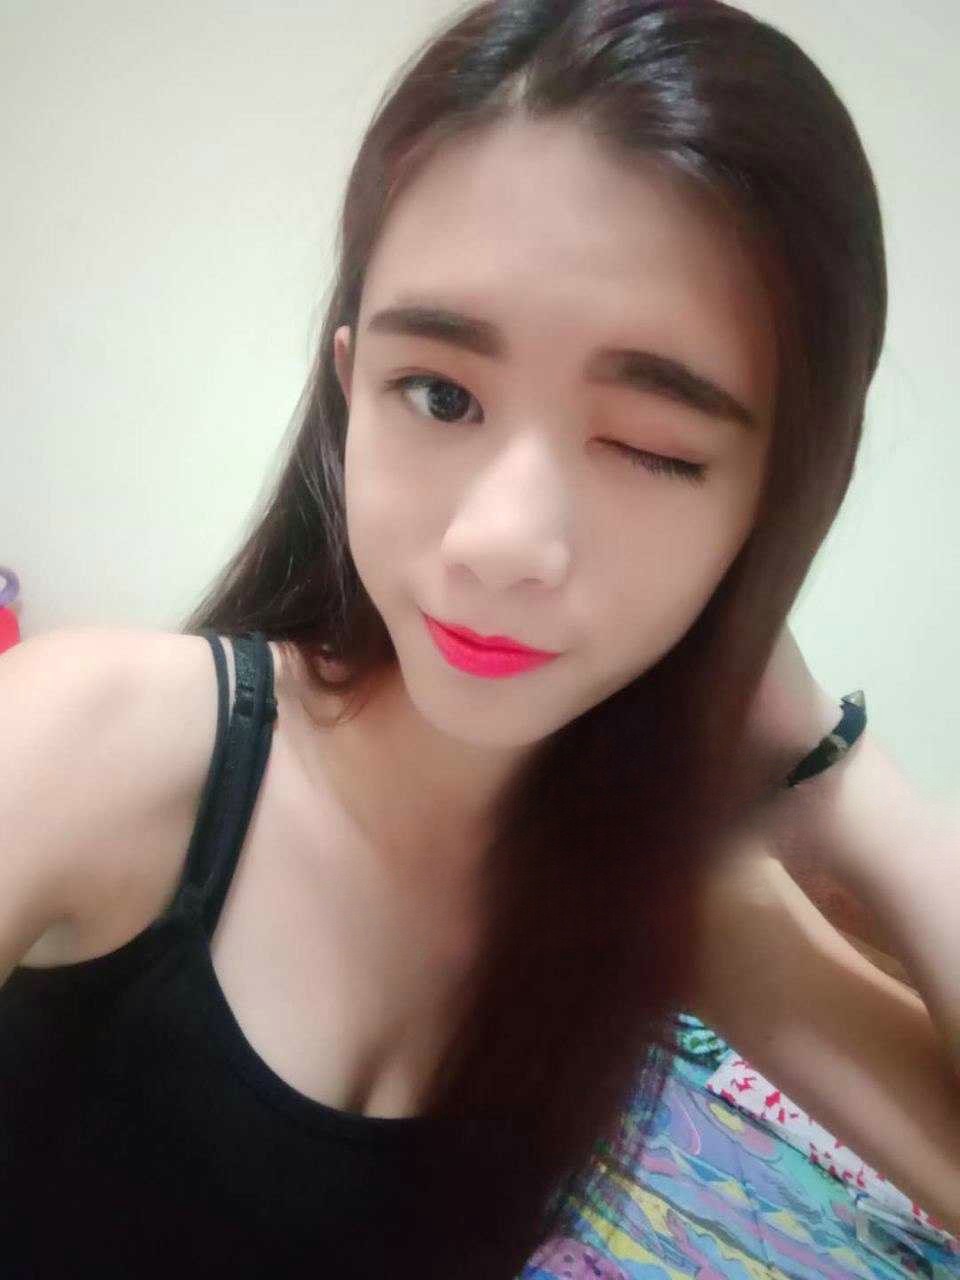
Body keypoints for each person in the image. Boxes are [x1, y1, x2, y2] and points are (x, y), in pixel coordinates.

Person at [2, 1, 958, 1274]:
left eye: (651, 446)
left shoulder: (665, 887)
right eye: (440, 393)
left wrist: (838, 774)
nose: (501, 539)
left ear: (772, 506)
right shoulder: (99, 742)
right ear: (351, 388)